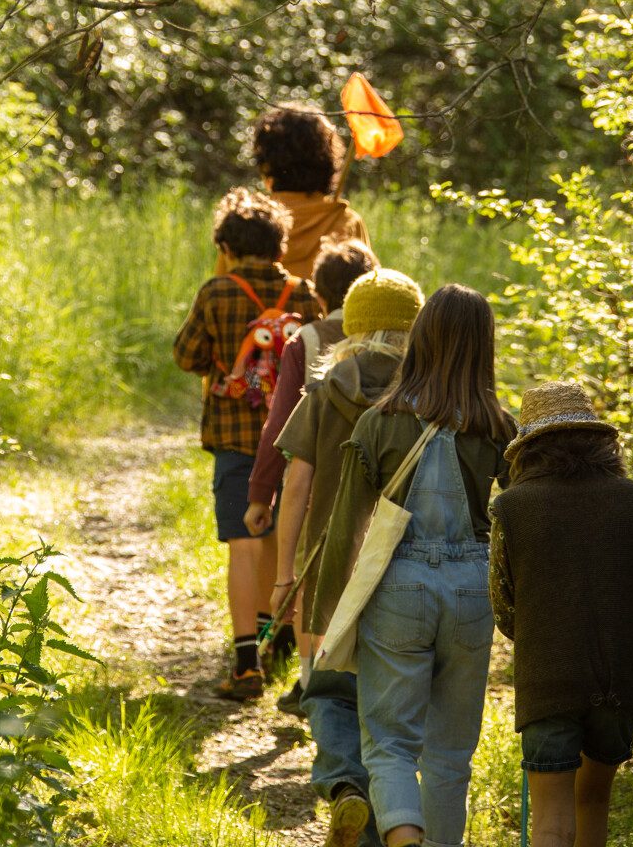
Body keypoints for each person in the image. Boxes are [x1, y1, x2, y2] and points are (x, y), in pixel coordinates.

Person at [321, 284, 517, 847]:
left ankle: (404, 838)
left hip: (399, 586)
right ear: (484, 346)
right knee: (451, 753)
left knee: (389, 745)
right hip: (471, 589)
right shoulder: (499, 429)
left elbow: (345, 527)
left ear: (421, 338)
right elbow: (524, 516)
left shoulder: (379, 422)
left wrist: (324, 615)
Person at [270, 268, 425, 847]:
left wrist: (284, 575)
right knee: (392, 697)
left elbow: (296, 486)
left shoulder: (326, 390)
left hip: (334, 565)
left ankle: (344, 786)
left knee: (330, 691)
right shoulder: (428, 398)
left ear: (351, 327)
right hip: (408, 565)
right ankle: (393, 816)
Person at [489, 381, 633, 847]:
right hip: (620, 675)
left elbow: (504, 608)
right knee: (594, 805)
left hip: (547, 678)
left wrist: (545, 631)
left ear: (528, 448)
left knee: (550, 824)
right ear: (598, 440)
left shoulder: (512, 507)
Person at [173, 187, 323, 701]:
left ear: (227, 246)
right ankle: (284, 645)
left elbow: (187, 355)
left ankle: (245, 666)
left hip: (236, 439)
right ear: (281, 243)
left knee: (243, 544)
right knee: (290, 541)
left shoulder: (217, 292)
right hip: (294, 440)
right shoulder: (303, 295)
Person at [245, 239, 380, 714]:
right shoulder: (397, 339)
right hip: (382, 484)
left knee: (310, 578)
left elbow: (280, 425)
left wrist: (261, 492)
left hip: (318, 479)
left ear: (320, 293)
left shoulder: (308, 338)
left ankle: (309, 682)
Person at [216, 105, 370, 281]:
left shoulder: (243, 223)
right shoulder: (347, 223)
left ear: (266, 164)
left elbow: (220, 291)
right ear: (328, 160)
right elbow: (365, 292)